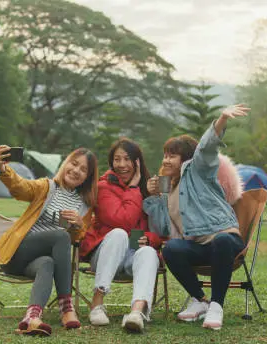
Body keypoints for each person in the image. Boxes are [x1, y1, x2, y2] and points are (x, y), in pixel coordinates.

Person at [143, 104, 250, 330]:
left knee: (220, 240)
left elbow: (206, 148)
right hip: (201, 248)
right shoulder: (170, 190)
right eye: (164, 155)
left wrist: (221, 119)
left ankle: (216, 306)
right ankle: (201, 301)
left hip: (226, 239)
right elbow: (163, 229)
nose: (165, 161)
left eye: (172, 156)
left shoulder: (198, 170)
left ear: (186, 159)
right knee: (171, 249)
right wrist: (154, 196)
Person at [0, 145, 98, 336]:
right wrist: (3, 169)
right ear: (65, 163)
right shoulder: (46, 187)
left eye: (83, 170)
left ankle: (32, 318)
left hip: (35, 263)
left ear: (87, 178)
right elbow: (20, 188)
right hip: (17, 253)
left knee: (48, 263)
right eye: (74, 164)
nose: (76, 171)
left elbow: (74, 240)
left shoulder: (84, 206)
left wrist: (77, 226)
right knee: (60, 235)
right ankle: (66, 307)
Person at [79, 138, 162, 333]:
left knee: (149, 252)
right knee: (118, 234)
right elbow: (122, 221)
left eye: (127, 159)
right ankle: (97, 303)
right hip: (104, 256)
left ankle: (137, 312)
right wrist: (134, 188)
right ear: (111, 162)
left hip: (132, 256)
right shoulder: (103, 187)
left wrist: (149, 238)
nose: (122, 165)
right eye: (117, 159)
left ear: (137, 162)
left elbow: (162, 230)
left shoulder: (147, 189)